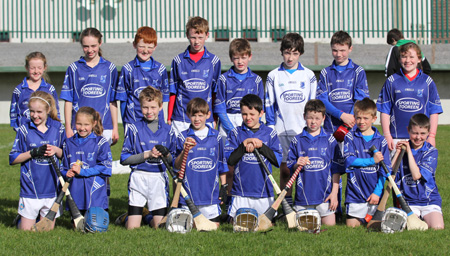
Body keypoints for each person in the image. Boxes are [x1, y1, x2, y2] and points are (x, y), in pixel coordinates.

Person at [265, 32, 317, 203]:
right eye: (287, 52)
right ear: (282, 52)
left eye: (295, 53)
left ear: (300, 53)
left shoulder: (309, 75)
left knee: (306, 167)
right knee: (286, 169)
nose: (290, 57)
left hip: (304, 131)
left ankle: (305, 202)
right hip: (282, 131)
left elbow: (313, 104)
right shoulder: (273, 76)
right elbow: (269, 104)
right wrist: (272, 127)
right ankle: (285, 205)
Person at [118, 87, 176, 229]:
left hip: (158, 179)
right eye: (145, 107)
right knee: (132, 228)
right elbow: (124, 159)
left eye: (153, 107)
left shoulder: (169, 130)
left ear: (161, 106)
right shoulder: (134, 128)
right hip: (139, 178)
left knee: (159, 227)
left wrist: (167, 154)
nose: (149, 111)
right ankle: (127, 217)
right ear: (140, 106)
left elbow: (173, 161)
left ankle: (147, 215)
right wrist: (147, 155)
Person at [9, 91, 66, 230]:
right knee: (27, 231)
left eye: (39, 111)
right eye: (32, 111)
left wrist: (55, 150)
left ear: (48, 110)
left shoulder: (58, 129)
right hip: (30, 189)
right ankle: (20, 220)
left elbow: (66, 155)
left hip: (51, 189)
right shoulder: (24, 130)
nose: (35, 115)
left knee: (45, 231)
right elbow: (13, 158)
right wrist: (32, 152)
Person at [377, 42, 442, 153]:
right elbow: (384, 111)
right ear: (399, 59)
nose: (407, 60)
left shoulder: (427, 82)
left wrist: (431, 136)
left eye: (412, 57)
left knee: (419, 170)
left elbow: (434, 111)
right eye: (404, 56)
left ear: (419, 59)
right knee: (395, 170)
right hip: (396, 138)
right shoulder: (391, 81)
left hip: (421, 139)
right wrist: (387, 135)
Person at [225, 94, 282, 220]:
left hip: (264, 192)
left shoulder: (270, 133)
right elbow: (230, 160)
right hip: (241, 192)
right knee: (235, 223)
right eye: (244, 114)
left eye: (252, 114)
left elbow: (277, 161)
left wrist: (261, 146)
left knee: (266, 223)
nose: (248, 118)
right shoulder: (235, 133)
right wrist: (243, 146)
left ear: (261, 113)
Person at [286, 99, 342, 226]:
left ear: (323, 118)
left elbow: (336, 169)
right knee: (302, 228)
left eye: (317, 118)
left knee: (330, 227)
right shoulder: (297, 140)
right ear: (304, 117)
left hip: (325, 197)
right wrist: (296, 163)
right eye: (310, 118)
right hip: (303, 198)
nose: (313, 122)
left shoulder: (330, 140)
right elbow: (290, 165)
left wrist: (334, 193)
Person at [60, 27, 120, 145]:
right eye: (86, 46)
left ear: (100, 43)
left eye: (93, 46)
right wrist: (68, 127)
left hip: (104, 126)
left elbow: (112, 101)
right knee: (79, 161)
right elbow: (68, 100)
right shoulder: (74, 68)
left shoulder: (110, 68)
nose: (90, 50)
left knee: (101, 162)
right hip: (79, 126)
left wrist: (115, 128)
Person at [174, 98, 228, 225]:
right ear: (188, 115)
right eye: (193, 115)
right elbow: (176, 167)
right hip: (188, 197)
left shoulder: (216, 136)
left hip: (210, 197)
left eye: (200, 115)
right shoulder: (182, 136)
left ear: (208, 115)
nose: (197, 119)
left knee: (212, 227)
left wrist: (224, 187)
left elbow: (221, 165)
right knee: (187, 228)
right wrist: (184, 151)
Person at [168, 16, 221, 136]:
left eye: (200, 37)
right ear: (187, 35)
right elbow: (173, 92)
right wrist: (169, 116)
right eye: (193, 37)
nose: (196, 41)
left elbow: (215, 93)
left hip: (205, 119)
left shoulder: (214, 61)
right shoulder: (178, 61)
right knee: (180, 153)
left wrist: (214, 117)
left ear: (207, 36)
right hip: (181, 119)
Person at [343, 98, 391, 227]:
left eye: (365, 118)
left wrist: (377, 192)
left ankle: (370, 214)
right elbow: (349, 160)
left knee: (376, 226)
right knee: (351, 226)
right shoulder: (350, 137)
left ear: (374, 118)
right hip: (355, 193)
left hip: (374, 194)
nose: (361, 122)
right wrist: (372, 160)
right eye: (358, 118)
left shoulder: (381, 141)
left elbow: (384, 171)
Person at [394, 114, 444, 230]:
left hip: (429, 200)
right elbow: (390, 174)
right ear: (408, 130)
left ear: (428, 132)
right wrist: (397, 153)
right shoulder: (401, 148)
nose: (418, 137)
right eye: (415, 133)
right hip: (408, 201)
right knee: (408, 228)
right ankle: (419, 219)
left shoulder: (431, 152)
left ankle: (424, 218)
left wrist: (409, 152)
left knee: (437, 227)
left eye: (422, 134)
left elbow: (417, 175)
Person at [317, 30, 369, 135]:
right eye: (335, 50)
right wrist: (341, 115)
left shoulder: (358, 72)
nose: (338, 54)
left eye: (342, 50)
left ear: (350, 49)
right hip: (331, 128)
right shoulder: (325, 73)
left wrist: (348, 120)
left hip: (353, 127)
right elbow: (322, 101)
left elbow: (361, 100)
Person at [61, 107, 112, 213]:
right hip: (75, 190)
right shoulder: (68, 143)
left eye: (86, 125)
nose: (82, 128)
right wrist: (67, 173)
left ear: (94, 123)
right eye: (79, 124)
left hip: (94, 192)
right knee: (77, 227)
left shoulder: (100, 142)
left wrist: (82, 172)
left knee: (95, 226)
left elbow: (105, 167)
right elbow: (63, 167)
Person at [117, 26, 169, 126]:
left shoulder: (161, 69)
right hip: (133, 121)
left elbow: (163, 101)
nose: (145, 51)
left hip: (154, 123)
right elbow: (123, 100)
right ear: (134, 45)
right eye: (141, 46)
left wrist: (161, 123)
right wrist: (125, 124)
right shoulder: (127, 69)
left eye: (149, 47)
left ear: (155, 46)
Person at [214, 38, 264, 141]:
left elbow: (259, 109)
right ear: (231, 58)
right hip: (228, 123)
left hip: (249, 122)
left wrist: (251, 127)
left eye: (243, 57)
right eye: (236, 58)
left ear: (250, 57)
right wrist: (232, 130)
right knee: (228, 156)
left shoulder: (257, 80)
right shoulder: (223, 79)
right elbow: (220, 109)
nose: (240, 61)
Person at [10, 52, 60, 131]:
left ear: (44, 68)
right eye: (32, 68)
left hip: (45, 133)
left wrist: (55, 128)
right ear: (26, 67)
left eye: (39, 68)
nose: (36, 71)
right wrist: (17, 128)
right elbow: (14, 112)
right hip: (26, 133)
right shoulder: (19, 90)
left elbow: (55, 110)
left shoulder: (50, 89)